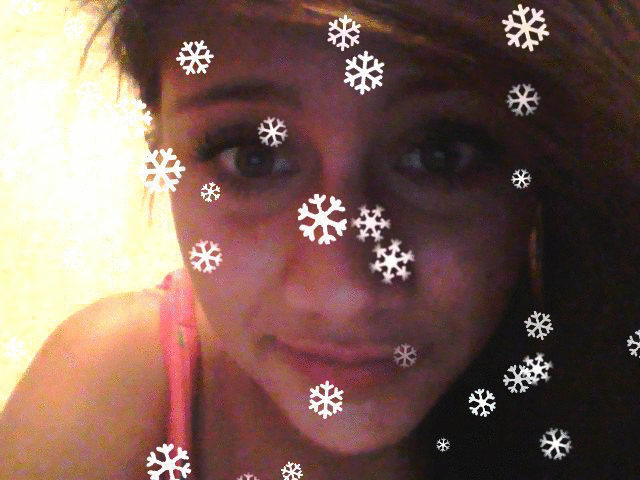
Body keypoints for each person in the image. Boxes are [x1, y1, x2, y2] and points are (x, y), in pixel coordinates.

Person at [1, 1, 639, 478]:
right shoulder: (118, 385)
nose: (344, 295)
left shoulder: (598, 384)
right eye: (252, 157)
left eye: (442, 154)